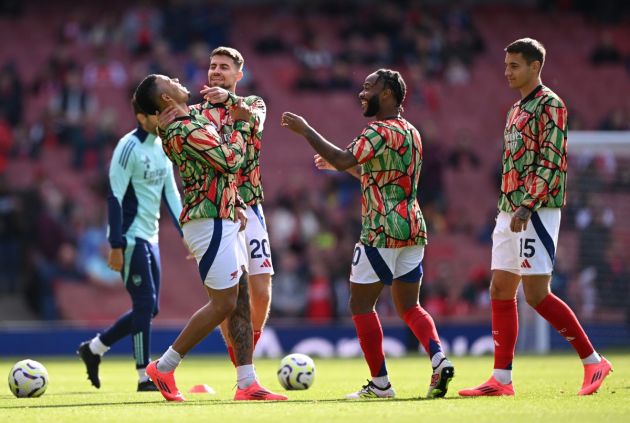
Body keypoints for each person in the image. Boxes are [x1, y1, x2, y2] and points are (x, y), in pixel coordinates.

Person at [281, 69, 454, 399]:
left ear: (386, 93)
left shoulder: (378, 131)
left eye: (368, 87)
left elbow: (343, 155)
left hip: (380, 229)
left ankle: (380, 384)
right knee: (409, 306)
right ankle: (438, 359)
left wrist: (306, 130)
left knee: (360, 305)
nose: (362, 93)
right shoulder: (411, 131)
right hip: (413, 227)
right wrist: (344, 167)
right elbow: (378, 175)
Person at [458, 38, 613, 397]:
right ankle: (501, 379)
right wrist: (509, 205)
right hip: (509, 209)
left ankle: (593, 361)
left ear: (535, 67)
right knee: (500, 288)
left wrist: (529, 203)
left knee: (536, 294)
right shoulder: (514, 109)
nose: (507, 71)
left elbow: (552, 158)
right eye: (506, 64)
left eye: (514, 65)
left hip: (536, 210)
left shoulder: (551, 104)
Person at [134, 74, 287, 402]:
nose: (176, 79)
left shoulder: (184, 123)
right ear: (164, 99)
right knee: (224, 303)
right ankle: (165, 365)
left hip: (224, 215)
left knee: (241, 300)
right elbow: (231, 160)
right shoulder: (183, 128)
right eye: (168, 81)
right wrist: (244, 124)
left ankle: (247, 382)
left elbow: (211, 170)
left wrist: (234, 201)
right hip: (209, 222)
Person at [77, 97, 183, 392]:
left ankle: (95, 348)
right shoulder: (128, 148)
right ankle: (143, 376)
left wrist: (186, 235)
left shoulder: (162, 146)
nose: (163, 118)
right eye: (156, 113)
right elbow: (114, 196)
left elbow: (171, 194)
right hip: (130, 236)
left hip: (152, 238)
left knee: (151, 309)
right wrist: (115, 243)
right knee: (144, 304)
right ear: (142, 116)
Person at [193, 46, 274, 366]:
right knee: (232, 297)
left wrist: (228, 101)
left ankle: (246, 358)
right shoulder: (197, 114)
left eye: (224, 67)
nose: (216, 71)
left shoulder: (253, 103)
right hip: (220, 209)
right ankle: (244, 368)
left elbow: (255, 120)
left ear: (239, 75)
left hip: (251, 206)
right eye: (212, 65)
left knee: (262, 292)